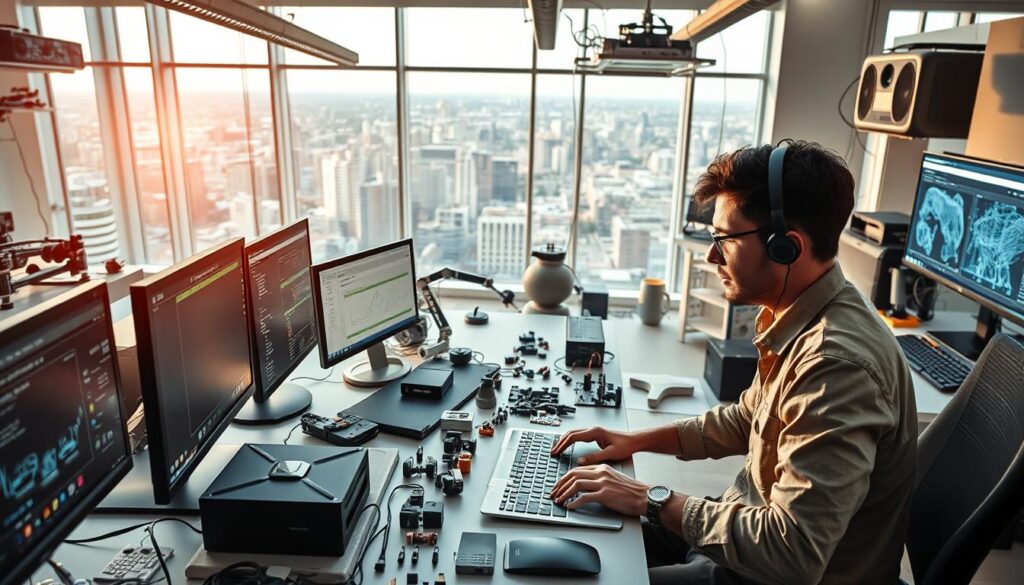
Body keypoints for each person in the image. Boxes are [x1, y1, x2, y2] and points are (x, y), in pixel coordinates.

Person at [551, 140, 918, 585]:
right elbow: (748, 420)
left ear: (787, 247)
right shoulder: (806, 313)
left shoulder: (835, 367)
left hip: (768, 570)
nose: (711, 256)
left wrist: (651, 498)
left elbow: (792, 553)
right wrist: (633, 442)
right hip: (740, 534)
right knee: (569, 528)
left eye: (723, 239)